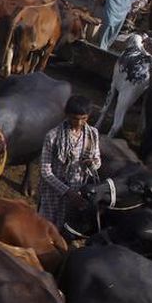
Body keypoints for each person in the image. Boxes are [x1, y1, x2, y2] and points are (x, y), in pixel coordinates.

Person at [38, 95, 101, 228]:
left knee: (70, 228)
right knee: (46, 228)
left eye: (83, 119)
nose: (79, 123)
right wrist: (67, 192)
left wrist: (92, 163)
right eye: (75, 118)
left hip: (79, 190)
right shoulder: (53, 136)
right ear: (67, 115)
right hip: (54, 191)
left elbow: (97, 160)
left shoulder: (92, 134)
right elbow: (45, 171)